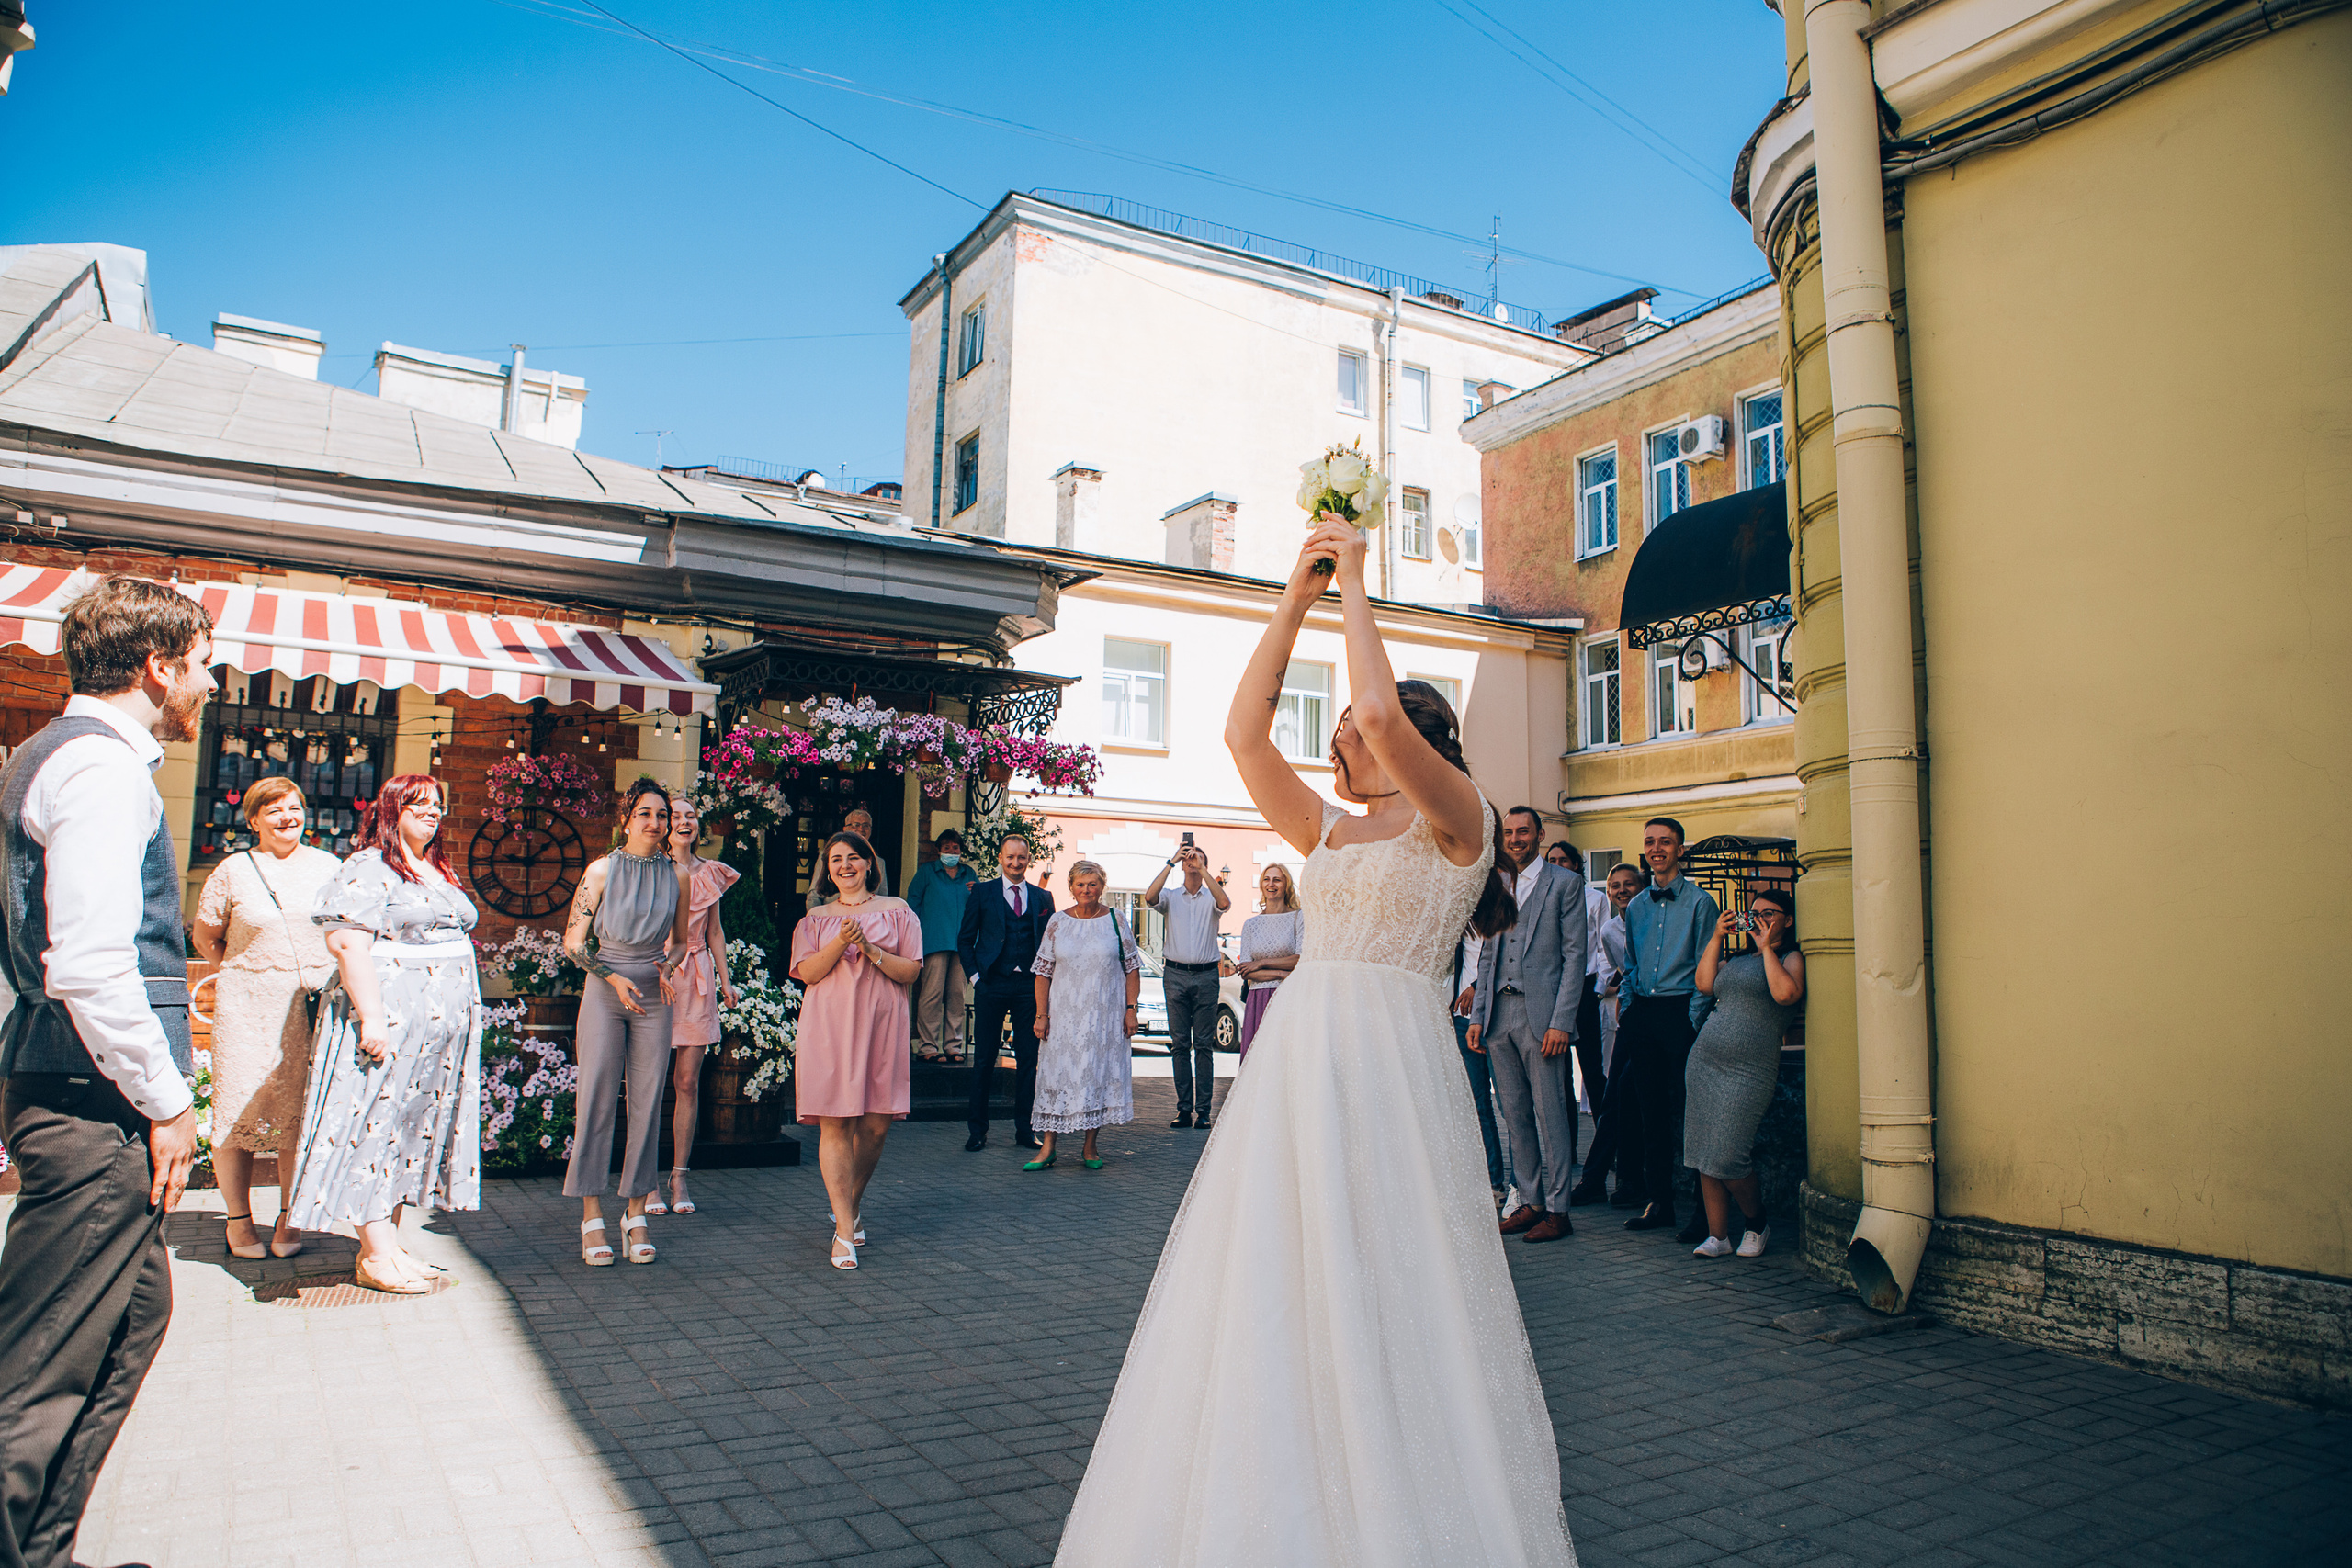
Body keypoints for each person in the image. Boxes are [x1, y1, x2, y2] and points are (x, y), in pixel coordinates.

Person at [1055, 515, 1574, 1565]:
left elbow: (1380, 710)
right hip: (1300, 1067)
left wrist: (1356, 579)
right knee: (1278, 1274)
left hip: (1394, 1064)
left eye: (1350, 730)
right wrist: (1293, 591)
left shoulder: (1458, 819)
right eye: (1338, 729)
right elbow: (1244, 734)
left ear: (1413, 742)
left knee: (1389, 1274)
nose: (1340, 737)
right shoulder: (1327, 831)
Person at [0, 577, 213, 1568]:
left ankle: (45, 1549)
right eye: (202, 663)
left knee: (133, 1317)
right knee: (37, 1375)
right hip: (94, 1108)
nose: (209, 683)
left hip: (79, 1095)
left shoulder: (61, 755)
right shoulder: (105, 770)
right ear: (158, 667)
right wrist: (171, 1104)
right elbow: (87, 962)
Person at [288, 773, 485, 1292]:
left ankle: (388, 1246)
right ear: (391, 809)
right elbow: (348, 942)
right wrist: (372, 1017)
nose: (433, 811)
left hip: (435, 1035)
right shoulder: (369, 866)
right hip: (390, 1020)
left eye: (439, 804)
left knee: (405, 1130)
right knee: (373, 1123)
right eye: (419, 803)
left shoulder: (435, 868)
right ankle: (374, 1252)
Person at [191, 774, 339, 1259]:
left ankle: (289, 1216)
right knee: (239, 1111)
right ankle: (238, 1218)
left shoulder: (329, 867)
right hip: (247, 1007)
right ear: (253, 819)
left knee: (301, 1113)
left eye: (294, 806)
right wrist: (244, 972)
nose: (287, 817)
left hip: (310, 1005)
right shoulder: (234, 870)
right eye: (273, 809)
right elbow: (206, 935)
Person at [560, 780, 691, 1268]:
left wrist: (669, 965)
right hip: (605, 990)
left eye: (662, 815)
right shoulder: (601, 871)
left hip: (655, 993)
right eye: (645, 814)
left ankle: (636, 1212)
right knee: (595, 1096)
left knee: (648, 1102)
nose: (656, 823)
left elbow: (679, 941)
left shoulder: (678, 876)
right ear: (626, 819)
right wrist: (612, 977)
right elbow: (574, 942)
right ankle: (592, 1213)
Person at [789, 831, 922, 1269]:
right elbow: (807, 972)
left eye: (852, 858)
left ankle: (848, 1202)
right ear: (827, 870)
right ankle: (844, 1230)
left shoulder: (899, 912)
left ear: (869, 863)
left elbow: (909, 973)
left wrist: (868, 947)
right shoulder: (815, 919)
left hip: (882, 1025)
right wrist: (841, 942)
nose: (844, 866)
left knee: (876, 1127)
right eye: (835, 860)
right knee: (835, 1124)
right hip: (828, 1026)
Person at [1467, 806, 1588, 1245]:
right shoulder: (1496, 883)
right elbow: (1486, 954)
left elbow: (1576, 957)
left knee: (1550, 1112)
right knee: (1513, 1113)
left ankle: (1559, 1210)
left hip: (1542, 1017)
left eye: (1524, 831)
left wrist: (1562, 1021)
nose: (1516, 838)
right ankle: (1531, 1201)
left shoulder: (1566, 884)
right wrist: (1479, 1015)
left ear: (1541, 834)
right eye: (1509, 832)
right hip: (1500, 1014)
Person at [1616, 816, 1722, 1234]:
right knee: (1650, 1112)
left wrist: (1693, 1018)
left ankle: (1703, 1210)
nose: (1656, 848)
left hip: (1682, 1014)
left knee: (1690, 1114)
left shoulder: (1701, 902)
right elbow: (1630, 962)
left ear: (1681, 849)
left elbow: (1704, 965)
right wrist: (1628, 1007)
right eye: (1649, 842)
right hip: (1643, 1014)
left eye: (1665, 842)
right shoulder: (1638, 905)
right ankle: (1659, 1202)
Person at [1687, 887, 1804, 1258]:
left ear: (1787, 918)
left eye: (1769, 913)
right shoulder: (1737, 958)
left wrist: (1767, 947)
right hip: (1705, 1061)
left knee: (1729, 1153)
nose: (1760, 919)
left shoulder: (1790, 956)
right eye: (1754, 913)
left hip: (1749, 1068)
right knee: (1703, 1151)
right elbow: (1704, 983)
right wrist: (1718, 936)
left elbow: (1786, 995)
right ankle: (1717, 1236)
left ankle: (1757, 1223)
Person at [645, 794, 737, 1218]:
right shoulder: (649, 868)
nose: (684, 822)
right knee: (649, 1084)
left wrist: (726, 979)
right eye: (675, 816)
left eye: (691, 816)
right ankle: (645, 1179)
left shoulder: (711, 873)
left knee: (687, 1081)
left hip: (696, 979)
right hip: (654, 975)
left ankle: (679, 1174)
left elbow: (715, 931)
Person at [1024, 859, 1140, 1169]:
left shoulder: (1116, 919)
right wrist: (1041, 1014)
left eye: (1092, 884)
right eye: (1080, 884)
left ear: (1102, 887)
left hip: (1103, 1016)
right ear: (1071, 887)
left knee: (1095, 1074)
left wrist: (1131, 1010)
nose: (1086, 890)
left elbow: (1132, 968)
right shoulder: (1058, 922)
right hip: (1063, 1015)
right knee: (1055, 1074)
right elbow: (1043, 972)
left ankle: (1090, 1147)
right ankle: (1048, 1147)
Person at [956, 831, 1054, 1152]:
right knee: (984, 1059)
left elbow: (1051, 945)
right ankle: (977, 1130)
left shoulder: (1042, 898)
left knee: (1028, 1060)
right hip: (991, 983)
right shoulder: (983, 893)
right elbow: (965, 939)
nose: (1016, 863)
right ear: (1000, 858)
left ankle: (1025, 1131)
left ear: (1029, 860)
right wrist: (976, 979)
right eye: (1010, 857)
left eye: (1021, 858)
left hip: (1029, 987)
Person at [1570, 862, 1647, 1207]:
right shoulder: (1611, 931)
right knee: (1616, 1096)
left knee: (1632, 1097)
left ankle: (1626, 1182)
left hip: (1662, 1015)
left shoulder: (1653, 919)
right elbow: (1621, 973)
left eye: (1628, 884)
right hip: (1630, 1017)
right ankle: (1602, 1180)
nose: (1620, 890)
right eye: (1614, 885)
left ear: (1640, 887)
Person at [1143, 840, 1228, 1128]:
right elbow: (1149, 897)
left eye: (1198, 857)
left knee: (1203, 1045)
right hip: (1176, 975)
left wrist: (1204, 871)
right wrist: (1170, 861)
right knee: (1180, 1045)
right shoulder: (1171, 896)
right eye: (1188, 857)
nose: (1192, 860)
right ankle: (1183, 1110)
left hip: (1206, 976)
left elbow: (1225, 903)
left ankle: (1203, 1111)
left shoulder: (1211, 896)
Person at [904, 828, 978, 1065]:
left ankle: (953, 1046)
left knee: (957, 994)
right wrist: (914, 935)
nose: (951, 851)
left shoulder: (969, 873)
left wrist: (978, 893)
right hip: (934, 940)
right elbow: (912, 903)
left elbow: (981, 907)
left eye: (955, 848)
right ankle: (927, 1046)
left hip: (963, 943)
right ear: (939, 850)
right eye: (947, 847)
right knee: (932, 994)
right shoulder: (927, 871)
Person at [1451, 926, 1507, 1206]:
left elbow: (1509, 958)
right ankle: (1494, 1184)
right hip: (1462, 1020)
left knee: (1511, 1107)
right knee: (1478, 1106)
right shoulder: (1459, 913)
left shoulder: (1503, 910)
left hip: (1498, 1015)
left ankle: (1523, 1188)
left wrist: (1477, 986)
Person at [1233, 863, 1302, 1060]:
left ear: (1286, 885)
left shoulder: (1298, 917)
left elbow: (1299, 959)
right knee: (1257, 1059)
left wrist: (1261, 963)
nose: (1271, 884)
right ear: (1261, 885)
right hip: (1258, 998)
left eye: (1277, 879)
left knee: (1284, 1057)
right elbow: (1246, 971)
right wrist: (1281, 973)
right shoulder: (1251, 925)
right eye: (1266, 879)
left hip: (1288, 996)